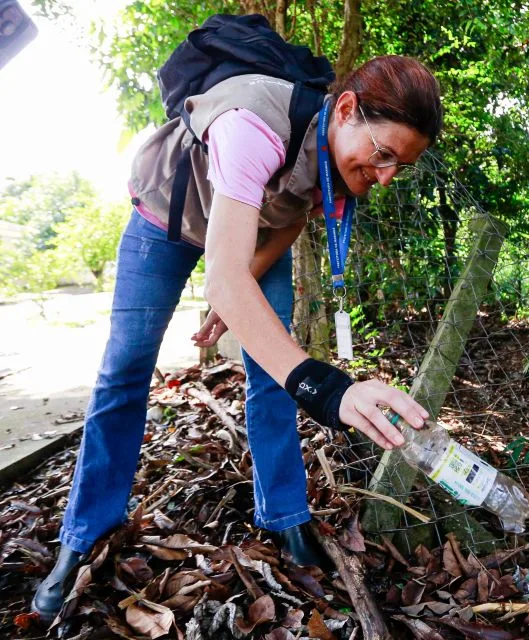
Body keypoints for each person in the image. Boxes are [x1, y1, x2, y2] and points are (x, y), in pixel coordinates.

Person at [31, 55, 442, 622]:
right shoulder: (253, 123)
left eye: (402, 165)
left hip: (259, 226)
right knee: (124, 373)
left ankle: (285, 515)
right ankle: (84, 536)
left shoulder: (340, 163)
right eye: (384, 154)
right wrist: (330, 390)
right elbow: (223, 278)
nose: (387, 175)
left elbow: (293, 215)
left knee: (270, 372)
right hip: (166, 217)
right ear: (345, 109)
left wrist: (239, 291)